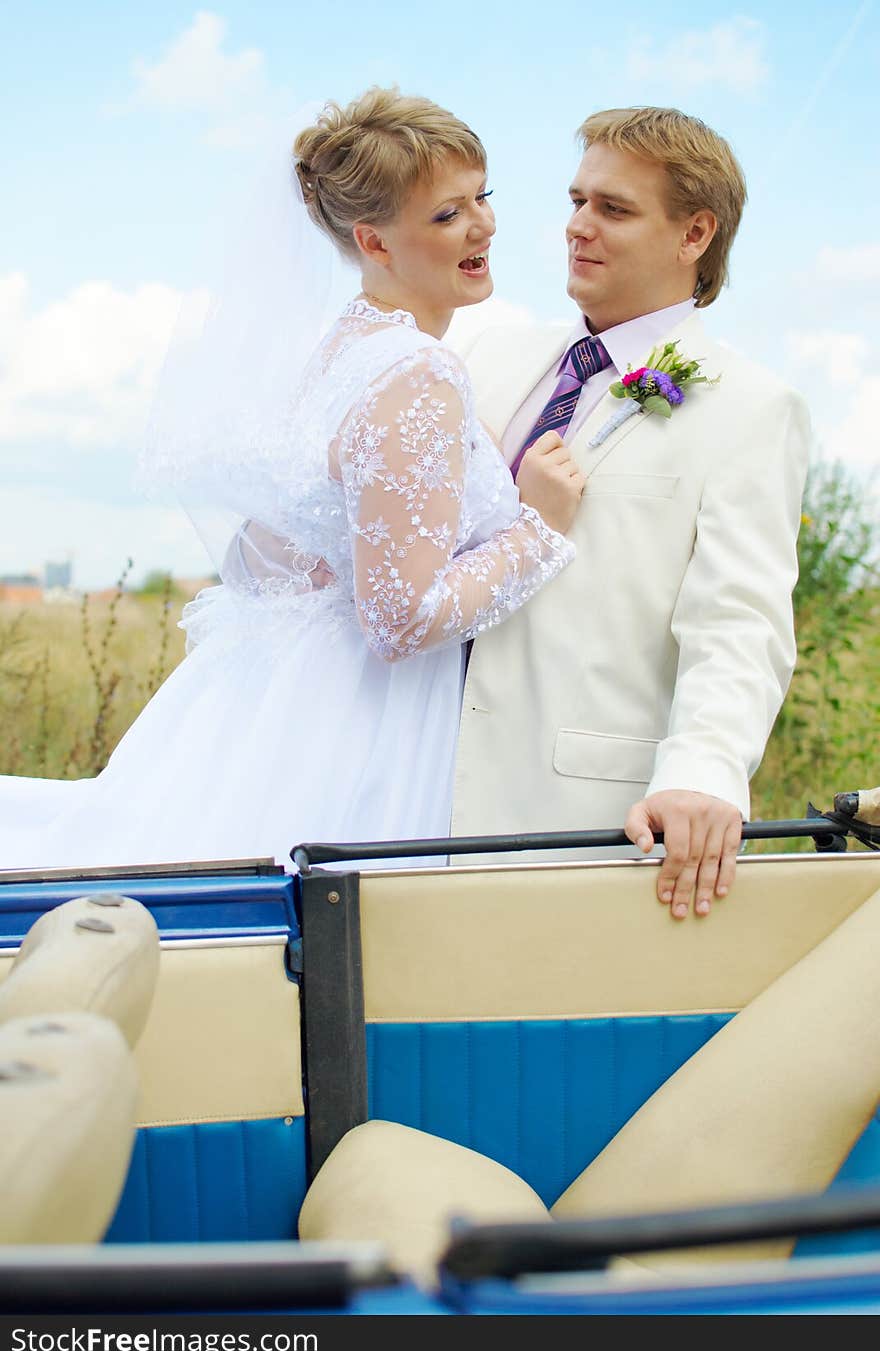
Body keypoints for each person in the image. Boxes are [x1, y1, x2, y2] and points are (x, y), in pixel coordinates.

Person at [0, 88, 580, 874]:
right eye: (447, 215)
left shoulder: (339, 350)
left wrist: (333, 560)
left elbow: (260, 553)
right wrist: (537, 532)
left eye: (482, 196)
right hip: (362, 727)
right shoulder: (418, 373)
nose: (483, 225)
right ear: (374, 241)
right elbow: (400, 620)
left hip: (285, 703)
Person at [452, 106, 811, 917]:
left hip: (579, 819)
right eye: (577, 201)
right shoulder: (484, 357)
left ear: (695, 235)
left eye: (613, 209)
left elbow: (739, 622)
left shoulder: (752, 407)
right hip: (409, 793)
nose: (578, 226)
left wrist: (703, 772)